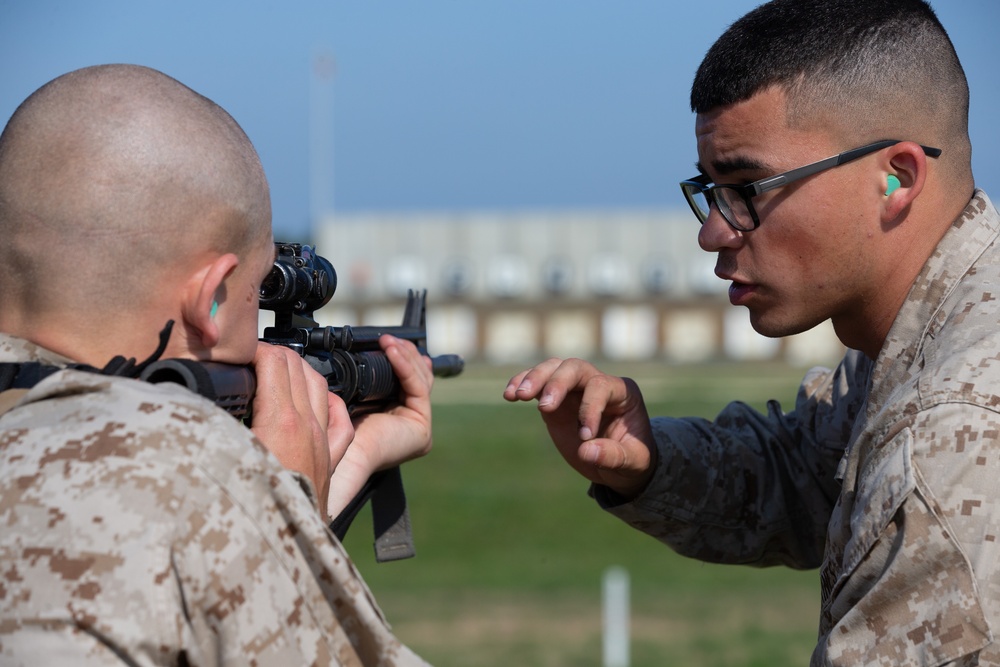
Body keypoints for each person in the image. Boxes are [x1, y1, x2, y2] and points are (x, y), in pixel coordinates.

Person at [505, 0, 1000, 663]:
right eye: (709, 190)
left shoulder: (952, 438)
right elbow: (809, 470)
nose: (713, 230)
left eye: (747, 188)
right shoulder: (937, 334)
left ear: (896, 178)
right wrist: (648, 462)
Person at [0, 64, 433, 665]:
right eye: (260, 288)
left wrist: (349, 459)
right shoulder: (196, 469)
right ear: (212, 297)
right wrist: (281, 502)